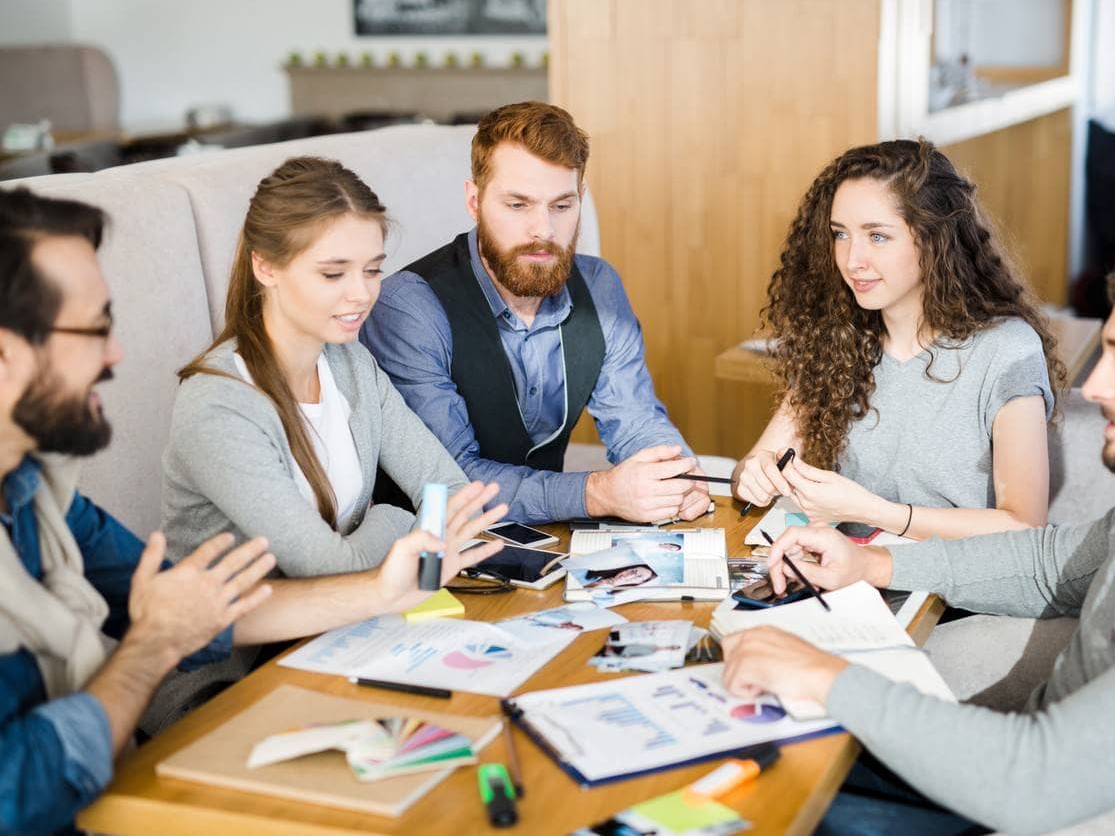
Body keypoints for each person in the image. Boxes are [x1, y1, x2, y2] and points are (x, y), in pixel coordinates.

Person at [721, 232, 1115, 834]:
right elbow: (1052, 566)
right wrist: (874, 566)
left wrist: (823, 675)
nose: (1094, 388)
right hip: (1008, 765)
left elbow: (1037, 781)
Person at [0, 188, 505, 833]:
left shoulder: (44, 496)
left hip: (293, 657)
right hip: (216, 701)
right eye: (96, 328)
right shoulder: (218, 402)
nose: (117, 354)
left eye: (372, 269)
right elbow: (21, 790)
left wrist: (382, 589)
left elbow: (210, 606)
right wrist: (153, 645)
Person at [361, 101, 710, 526]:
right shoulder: (410, 306)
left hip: (545, 538)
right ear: (474, 201)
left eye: (561, 206)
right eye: (518, 205)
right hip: (427, 550)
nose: (543, 230)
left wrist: (676, 475)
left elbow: (635, 420)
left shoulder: (599, 286)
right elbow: (450, 479)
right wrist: (599, 493)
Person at [732, 140, 1066, 540]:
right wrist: (751, 473)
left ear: (934, 239)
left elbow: (1024, 526)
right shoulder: (839, 339)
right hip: (849, 573)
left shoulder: (1006, 349)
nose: (852, 259)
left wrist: (874, 511)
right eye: (840, 234)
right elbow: (757, 461)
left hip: (952, 593)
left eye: (877, 237)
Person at [164, 156, 471, 577]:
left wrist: (421, 570)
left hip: (358, 618)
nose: (362, 294)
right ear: (265, 266)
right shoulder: (218, 404)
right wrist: (394, 519)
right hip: (267, 640)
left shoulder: (351, 364)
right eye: (333, 274)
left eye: (373, 270)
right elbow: (323, 570)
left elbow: (450, 490)